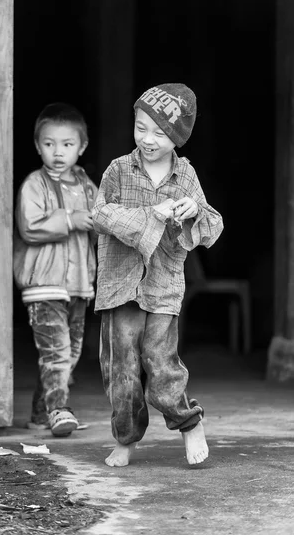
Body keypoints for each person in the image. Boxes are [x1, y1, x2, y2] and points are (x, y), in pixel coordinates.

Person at [92, 83, 223, 467]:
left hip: (163, 285)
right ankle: (126, 438)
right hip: (120, 284)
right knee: (122, 368)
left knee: (161, 361)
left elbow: (213, 225)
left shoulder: (185, 175)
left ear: (178, 137)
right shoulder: (118, 169)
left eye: (161, 133)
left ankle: (188, 422)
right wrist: (150, 216)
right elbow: (99, 214)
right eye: (141, 127)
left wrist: (191, 211)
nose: (148, 139)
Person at [13, 103, 98, 437]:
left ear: (82, 147)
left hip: (78, 284)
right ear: (38, 146)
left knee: (70, 353)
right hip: (44, 283)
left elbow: (97, 226)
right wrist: (70, 219)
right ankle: (58, 409)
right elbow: (29, 226)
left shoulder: (88, 187)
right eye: (49, 144)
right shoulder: (34, 184)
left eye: (67, 145)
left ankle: (40, 413)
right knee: (57, 352)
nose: (58, 152)